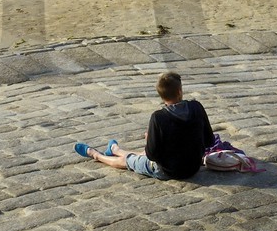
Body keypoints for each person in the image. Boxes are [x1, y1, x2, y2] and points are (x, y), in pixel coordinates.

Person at [73, 71, 213, 180]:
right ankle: (115, 149)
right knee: (140, 156)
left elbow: (151, 155)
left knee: (127, 161)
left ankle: (96, 155)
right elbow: (209, 141)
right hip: (193, 167)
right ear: (179, 92)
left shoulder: (159, 117)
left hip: (168, 170)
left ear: (161, 95)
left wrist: (149, 139)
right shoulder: (196, 107)